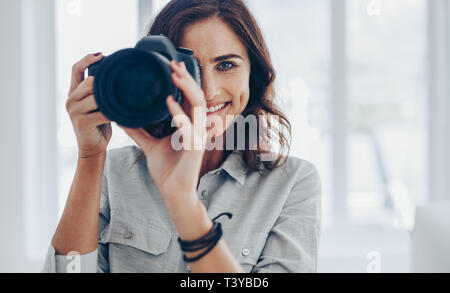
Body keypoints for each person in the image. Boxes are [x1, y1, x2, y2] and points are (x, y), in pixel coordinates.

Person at [42, 0, 322, 273]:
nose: (208, 91)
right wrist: (91, 157)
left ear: (254, 74)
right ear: (157, 75)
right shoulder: (111, 173)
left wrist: (183, 203)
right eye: (190, 70)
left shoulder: (293, 183)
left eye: (226, 65)